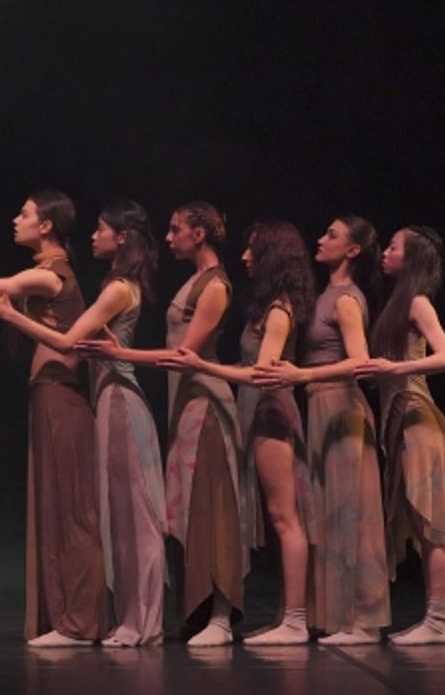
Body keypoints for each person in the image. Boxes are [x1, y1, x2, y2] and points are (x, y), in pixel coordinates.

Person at [0, 200, 166, 647]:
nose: (92, 236)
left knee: (133, 514)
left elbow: (66, 341)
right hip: (107, 396)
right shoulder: (115, 285)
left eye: (101, 229)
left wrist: (9, 314)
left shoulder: (117, 288)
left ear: (121, 237)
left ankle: (141, 622)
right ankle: (131, 620)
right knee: (119, 513)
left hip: (119, 398)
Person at [77, 201, 245, 647]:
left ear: (199, 234)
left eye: (176, 230)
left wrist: (121, 355)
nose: (168, 238)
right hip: (186, 404)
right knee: (188, 510)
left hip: (207, 403)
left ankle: (222, 617)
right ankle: (199, 612)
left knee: (213, 505)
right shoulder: (194, 281)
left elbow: (183, 355)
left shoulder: (215, 285)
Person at [0, 190, 105, 647]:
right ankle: (66, 619)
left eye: (25, 214)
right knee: (57, 509)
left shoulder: (50, 275)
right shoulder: (48, 273)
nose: (17, 220)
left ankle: (79, 623)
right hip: (50, 397)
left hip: (61, 400)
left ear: (46, 225)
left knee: (72, 511)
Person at [160, 221, 317, 645]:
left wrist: (203, 365)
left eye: (253, 250)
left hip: (269, 411)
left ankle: (295, 621)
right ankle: (288, 617)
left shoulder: (279, 310)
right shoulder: (267, 308)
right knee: (274, 514)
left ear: (273, 257)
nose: (245, 257)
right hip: (254, 410)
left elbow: (262, 373)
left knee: (285, 516)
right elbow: (250, 367)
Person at [254, 216, 391, 645]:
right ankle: (336, 617)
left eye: (332, 235)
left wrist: (302, 376)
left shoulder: (346, 298)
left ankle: (364, 622)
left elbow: (361, 362)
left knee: (352, 512)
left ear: (352, 250)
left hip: (341, 407)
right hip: (319, 407)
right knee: (329, 514)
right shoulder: (323, 294)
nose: (320, 239)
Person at [357, 226, 445, 645]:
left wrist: (394, 368)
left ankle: (437, 621)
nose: (385, 252)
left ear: (411, 258)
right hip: (399, 421)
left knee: (434, 522)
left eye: (394, 247)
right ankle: (432, 621)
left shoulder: (418, 303)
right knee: (420, 521)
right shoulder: (397, 304)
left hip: (418, 418)